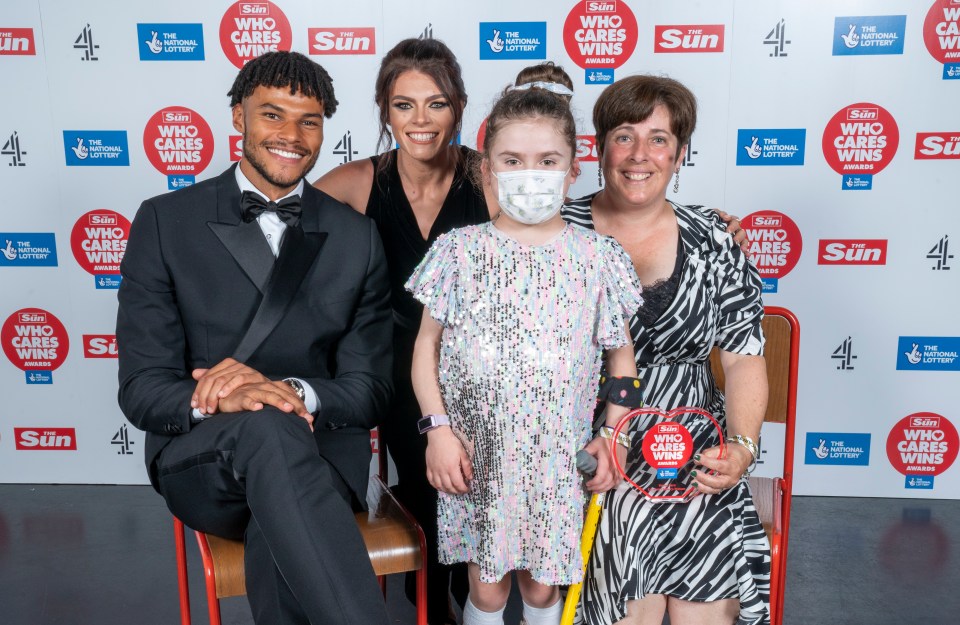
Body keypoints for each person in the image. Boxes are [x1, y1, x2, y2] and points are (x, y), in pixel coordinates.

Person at [116, 51, 392, 625]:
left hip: (321, 457)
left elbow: (369, 389)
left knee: (283, 519)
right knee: (266, 433)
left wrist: (289, 389)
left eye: (309, 121)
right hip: (205, 462)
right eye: (272, 115)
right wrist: (223, 396)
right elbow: (142, 389)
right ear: (239, 117)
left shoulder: (356, 237)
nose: (291, 135)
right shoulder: (165, 222)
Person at [408, 85, 643, 625]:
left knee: (541, 589)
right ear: (486, 169)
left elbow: (622, 363)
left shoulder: (599, 258)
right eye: (512, 160)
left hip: (559, 456)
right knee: (487, 589)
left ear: (573, 170)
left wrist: (613, 436)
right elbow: (425, 349)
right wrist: (437, 431)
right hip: (474, 451)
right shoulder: (458, 251)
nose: (530, 173)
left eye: (547, 160)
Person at [562, 75, 770, 625]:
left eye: (659, 139)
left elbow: (744, 358)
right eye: (624, 136)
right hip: (596, 442)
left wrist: (743, 449)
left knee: (705, 610)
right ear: (600, 146)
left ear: (680, 154)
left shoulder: (714, 238)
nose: (639, 155)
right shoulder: (557, 232)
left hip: (696, 441)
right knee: (631, 605)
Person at [313, 37, 490, 625]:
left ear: (459, 108)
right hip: (393, 365)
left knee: (475, 485)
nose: (421, 120)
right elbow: (269, 221)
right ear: (385, 111)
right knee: (425, 478)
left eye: (436, 103)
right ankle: (435, 605)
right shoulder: (356, 183)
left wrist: (696, 223)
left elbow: (568, 220)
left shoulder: (488, 179)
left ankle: (471, 601)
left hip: (479, 362)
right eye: (404, 104)